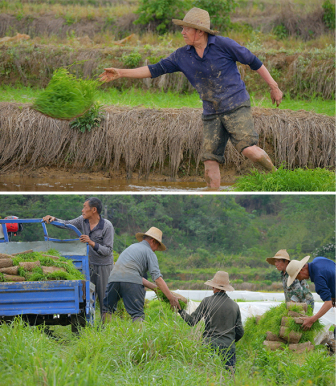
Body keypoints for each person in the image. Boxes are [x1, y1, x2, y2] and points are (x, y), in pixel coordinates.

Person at [98, 7, 282, 189]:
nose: (183, 32)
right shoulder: (182, 55)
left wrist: (274, 87)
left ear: (200, 31)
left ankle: (279, 177)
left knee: (250, 150)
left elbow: (254, 61)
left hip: (235, 105)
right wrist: (120, 72)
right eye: (182, 28)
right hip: (211, 112)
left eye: (187, 28)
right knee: (210, 161)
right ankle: (213, 195)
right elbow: (154, 70)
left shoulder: (224, 45)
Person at [43, 197, 114, 318]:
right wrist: (54, 219)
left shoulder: (107, 226)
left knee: (104, 300)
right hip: (88, 265)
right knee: (85, 297)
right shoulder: (83, 220)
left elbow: (108, 250)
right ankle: (85, 328)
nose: (82, 210)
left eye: (85, 207)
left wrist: (91, 242)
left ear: (94, 210)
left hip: (103, 266)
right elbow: (67, 224)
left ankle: (105, 330)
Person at [104, 227, 180, 323]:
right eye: (157, 246)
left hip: (113, 279)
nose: (156, 250)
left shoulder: (131, 248)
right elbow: (157, 278)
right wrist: (170, 297)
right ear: (153, 241)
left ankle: (105, 332)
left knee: (107, 309)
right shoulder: (149, 252)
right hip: (131, 283)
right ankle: (138, 335)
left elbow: (132, 274)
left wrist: (155, 288)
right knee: (137, 314)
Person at [179, 271, 243, 372]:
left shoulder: (207, 302)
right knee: (229, 377)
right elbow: (240, 332)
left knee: (208, 376)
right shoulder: (234, 306)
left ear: (213, 286)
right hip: (228, 348)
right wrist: (229, 340)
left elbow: (192, 322)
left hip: (209, 346)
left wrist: (180, 310)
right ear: (226, 288)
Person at [285, 255, 335, 330]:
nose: (298, 280)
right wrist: (333, 297)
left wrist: (312, 319)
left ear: (301, 271)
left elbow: (328, 303)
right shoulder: (318, 259)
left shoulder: (318, 279)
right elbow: (331, 273)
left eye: (296, 277)